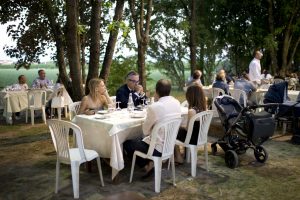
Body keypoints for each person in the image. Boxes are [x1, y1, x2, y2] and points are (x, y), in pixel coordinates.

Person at [123, 79, 181, 178]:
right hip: (169, 145)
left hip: (157, 149)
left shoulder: (155, 106)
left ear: (156, 91)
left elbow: (145, 131)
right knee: (140, 140)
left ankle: (147, 166)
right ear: (169, 90)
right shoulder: (176, 102)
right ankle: (151, 163)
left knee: (127, 143)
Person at [174, 84, 207, 163]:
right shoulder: (204, 109)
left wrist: (180, 126)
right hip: (200, 137)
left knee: (172, 132)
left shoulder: (192, 111)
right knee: (179, 130)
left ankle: (178, 157)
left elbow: (188, 129)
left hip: (192, 139)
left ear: (190, 97)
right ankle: (186, 155)